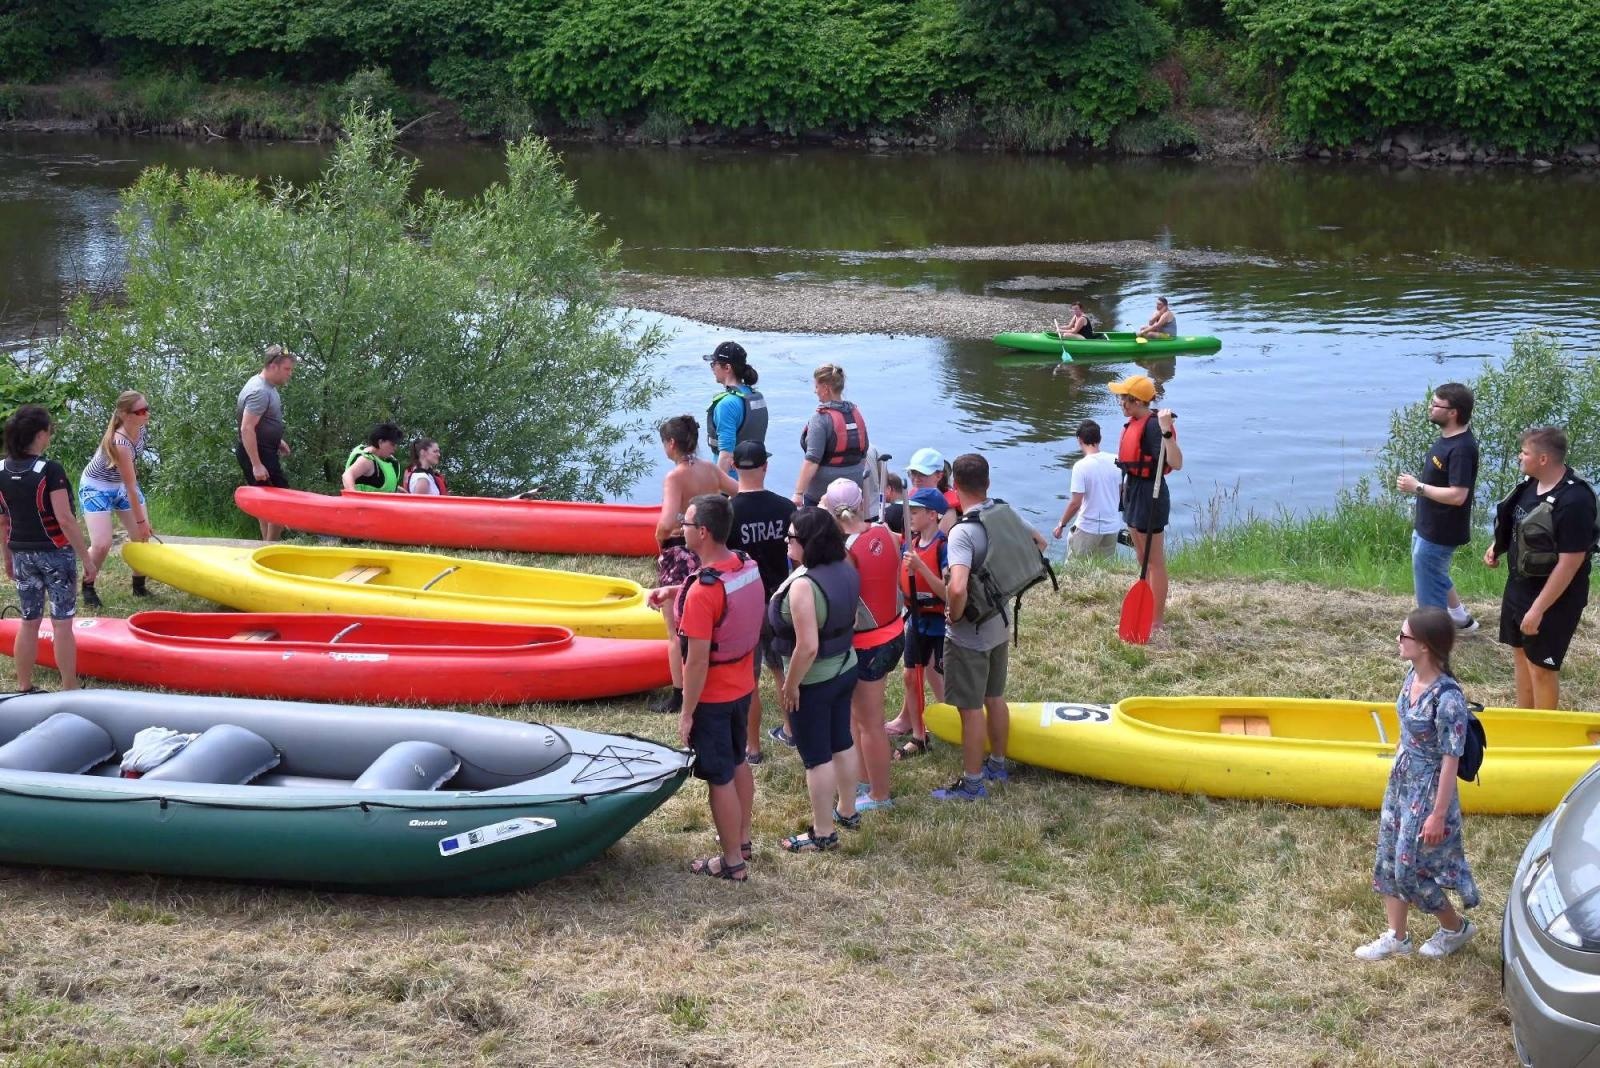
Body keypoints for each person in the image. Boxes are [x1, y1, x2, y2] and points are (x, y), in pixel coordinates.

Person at [646, 494, 762, 882]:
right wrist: (675, 591)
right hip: (743, 684)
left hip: (713, 697)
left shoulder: (703, 591)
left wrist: (686, 711)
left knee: (719, 776)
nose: (682, 529)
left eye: (688, 524)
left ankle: (732, 862)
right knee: (739, 760)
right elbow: (719, 592)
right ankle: (743, 840)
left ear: (704, 533)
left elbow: (695, 661)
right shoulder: (745, 564)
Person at [1355, 607, 1480, 960]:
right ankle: (1397, 936)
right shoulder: (1411, 676)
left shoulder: (1449, 698)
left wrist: (1438, 814)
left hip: (1428, 789)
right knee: (1388, 857)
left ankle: (1455, 928)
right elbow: (1408, 729)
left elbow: (1450, 759)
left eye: (1404, 636)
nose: (1398, 640)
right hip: (1402, 780)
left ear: (1425, 646)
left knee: (1408, 869)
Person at [769, 507, 862, 852]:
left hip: (815, 680)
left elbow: (807, 646)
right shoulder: (846, 567)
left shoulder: (804, 587)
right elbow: (851, 617)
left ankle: (823, 833)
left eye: (791, 537)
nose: (786, 541)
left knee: (816, 757)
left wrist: (791, 684)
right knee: (842, 740)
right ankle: (848, 810)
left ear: (810, 542)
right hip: (846, 667)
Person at [1486, 427, 1596, 710]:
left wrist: (1538, 609)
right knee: (1521, 657)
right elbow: (1521, 524)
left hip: (1553, 598)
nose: (1520, 458)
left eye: (1524, 453)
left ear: (1544, 458)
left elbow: (1570, 562)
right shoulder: (1529, 485)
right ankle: (1525, 723)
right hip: (1519, 586)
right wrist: (1496, 547)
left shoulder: (1575, 501)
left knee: (1542, 668)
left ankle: (1545, 735)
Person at [932, 453, 1014, 802]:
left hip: (971, 635)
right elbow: (1038, 543)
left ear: (954, 487)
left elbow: (958, 586)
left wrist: (953, 613)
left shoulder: (961, 533)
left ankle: (973, 782)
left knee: (970, 710)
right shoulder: (1003, 513)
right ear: (988, 483)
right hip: (999, 624)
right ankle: (997, 764)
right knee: (995, 698)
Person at [0, 406, 96, 691]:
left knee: (29, 620)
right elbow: (65, 519)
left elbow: (3, 521)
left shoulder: (1, 470)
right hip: (56, 554)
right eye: (50, 431)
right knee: (62, 622)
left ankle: (24, 685)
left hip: (21, 554)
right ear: (40, 435)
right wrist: (87, 558)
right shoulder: (49, 470)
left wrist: (6, 557)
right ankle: (70, 686)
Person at [822, 478, 902, 814]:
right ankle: (866, 779)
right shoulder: (885, 532)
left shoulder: (845, 553)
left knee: (869, 722)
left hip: (867, 644)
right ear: (861, 504)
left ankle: (881, 794)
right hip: (894, 632)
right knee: (859, 718)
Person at [652, 415, 739, 715]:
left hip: (682, 549)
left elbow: (666, 521)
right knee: (709, 619)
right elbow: (736, 493)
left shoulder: (675, 477)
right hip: (710, 548)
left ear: (672, 443)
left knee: (675, 629)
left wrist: (660, 538)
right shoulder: (710, 468)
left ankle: (679, 693)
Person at [724, 441, 796, 765]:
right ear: (766, 467)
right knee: (782, 668)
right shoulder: (785, 508)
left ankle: (752, 749)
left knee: (749, 678)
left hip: (746, 604)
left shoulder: (729, 511)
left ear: (734, 467)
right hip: (781, 600)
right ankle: (792, 730)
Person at [1396, 383, 1479, 631]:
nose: (1430, 408)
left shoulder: (1462, 449)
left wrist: (1417, 487)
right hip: (1429, 524)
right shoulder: (1447, 439)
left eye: (1436, 405)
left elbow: (1458, 496)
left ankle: (1431, 642)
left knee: (1429, 589)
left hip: (1442, 530)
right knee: (1435, 573)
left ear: (1453, 412)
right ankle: (1460, 620)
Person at [1110, 375, 1182, 635]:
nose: (1121, 403)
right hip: (1133, 489)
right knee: (1142, 557)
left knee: (1154, 561)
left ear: (1137, 400)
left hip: (1151, 492)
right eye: (1120, 398)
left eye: (1124, 398)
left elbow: (1176, 461)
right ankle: (1145, 612)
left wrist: (1166, 431)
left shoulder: (1153, 426)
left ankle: (1156, 621)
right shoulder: (1134, 422)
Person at [885, 488, 949, 758]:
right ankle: (919, 735)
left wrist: (921, 567)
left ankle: (964, 722)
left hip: (940, 622)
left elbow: (947, 592)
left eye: (914, 512)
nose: (908, 516)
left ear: (932, 515)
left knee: (949, 677)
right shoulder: (908, 542)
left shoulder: (944, 546)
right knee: (911, 675)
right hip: (917, 620)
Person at [79, 390, 153, 608]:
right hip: (96, 486)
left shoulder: (141, 429)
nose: (146, 414)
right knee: (102, 544)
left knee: (141, 538)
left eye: (147, 408)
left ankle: (139, 586)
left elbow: (130, 475)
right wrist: (141, 522)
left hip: (121, 484)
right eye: (141, 411)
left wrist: (141, 526)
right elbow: (131, 486)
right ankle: (88, 586)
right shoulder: (119, 441)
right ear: (124, 414)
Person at [236, 345, 296, 540]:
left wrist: (277, 440)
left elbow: (262, 423)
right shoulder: (259, 391)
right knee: (282, 501)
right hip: (258, 453)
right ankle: (271, 548)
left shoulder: (265, 386)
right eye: (287, 369)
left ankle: (266, 546)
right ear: (273, 366)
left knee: (265, 502)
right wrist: (256, 464)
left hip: (265, 449)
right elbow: (246, 428)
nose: (290, 374)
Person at [793, 363, 869, 507]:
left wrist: (798, 493)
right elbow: (863, 454)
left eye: (816, 386)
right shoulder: (856, 413)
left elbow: (812, 460)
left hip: (822, 494)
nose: (814, 391)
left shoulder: (820, 418)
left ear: (825, 389)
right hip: (854, 491)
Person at [1052, 419, 1122, 559]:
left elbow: (1075, 503)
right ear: (1099, 438)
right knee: (1103, 571)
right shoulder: (1116, 460)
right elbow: (1122, 492)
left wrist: (1061, 524)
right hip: (1112, 527)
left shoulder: (1081, 466)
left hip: (1088, 528)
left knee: (1074, 570)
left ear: (1080, 440)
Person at [703, 341, 769, 472]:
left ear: (727, 368)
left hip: (731, 482)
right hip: (754, 477)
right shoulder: (755, 396)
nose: (712, 369)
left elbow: (726, 455)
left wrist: (718, 490)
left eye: (713, 364)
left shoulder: (727, 404)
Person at [906, 447, 959, 534]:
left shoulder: (948, 512)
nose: (916, 479)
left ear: (939, 476)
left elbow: (935, 543)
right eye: (913, 473)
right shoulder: (913, 499)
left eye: (922, 474)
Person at [342, 423, 404, 493]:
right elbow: (347, 475)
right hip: (362, 503)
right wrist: (354, 497)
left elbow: (376, 484)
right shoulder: (366, 460)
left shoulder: (382, 460)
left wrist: (398, 490)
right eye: (392, 444)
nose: (395, 448)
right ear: (380, 442)